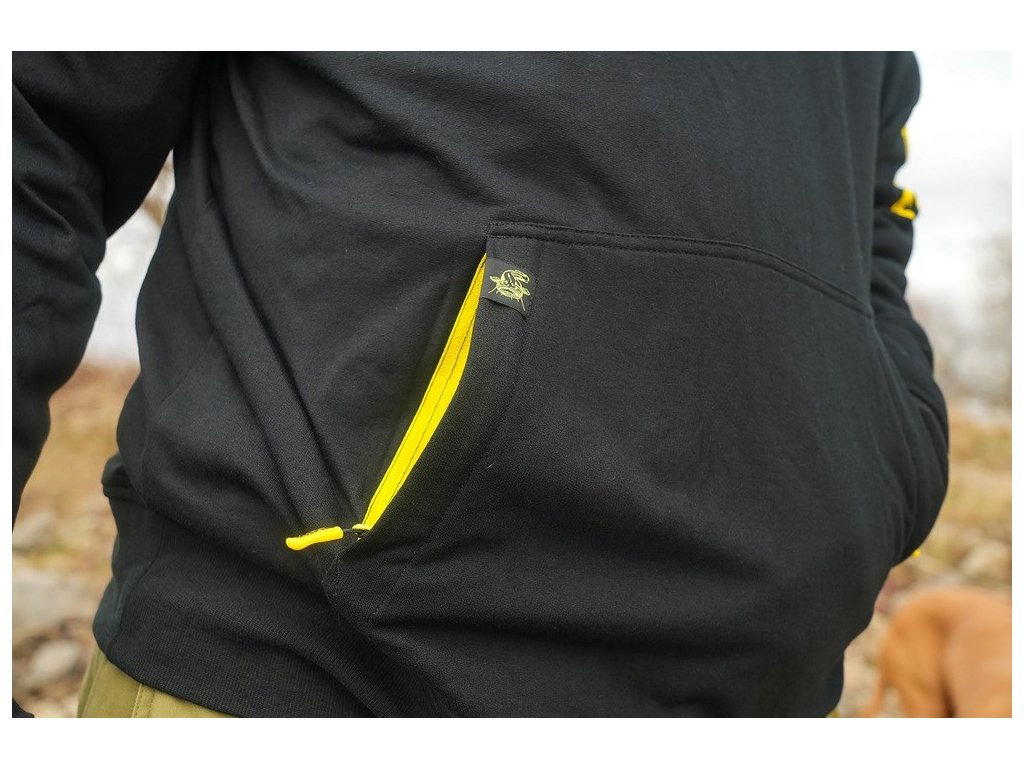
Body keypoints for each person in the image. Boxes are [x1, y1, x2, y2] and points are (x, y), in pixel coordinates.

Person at [12, 52, 949, 717]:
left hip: (766, 703)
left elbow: (876, 214)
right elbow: (39, 116)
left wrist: (890, 444)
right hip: (303, 682)